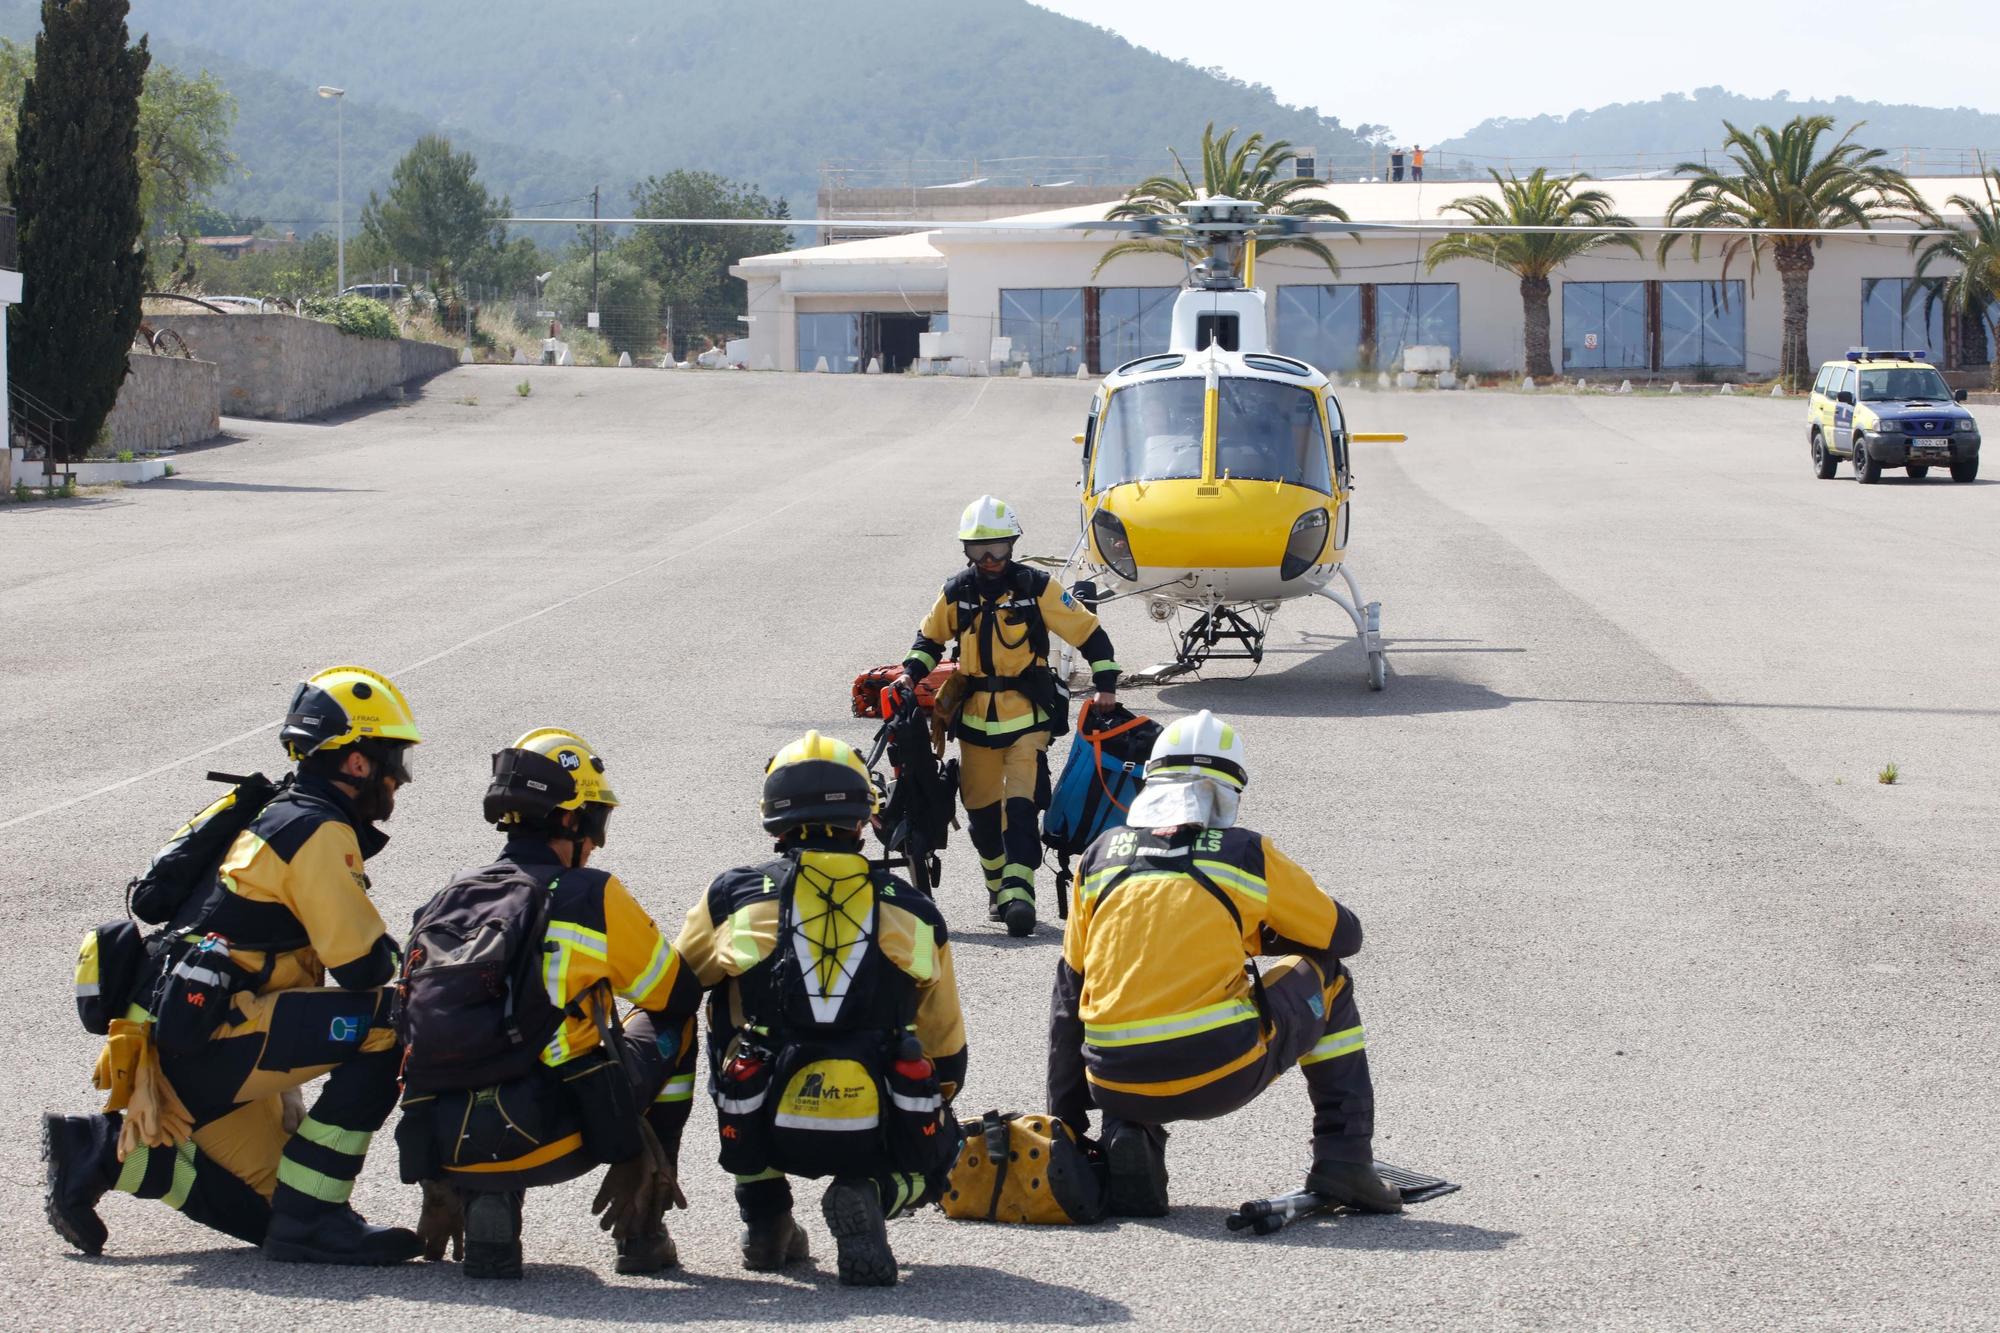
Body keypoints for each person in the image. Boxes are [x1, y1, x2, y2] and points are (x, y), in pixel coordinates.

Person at [45, 666, 425, 1264]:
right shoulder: (316, 830)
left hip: (179, 1041)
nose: (398, 778)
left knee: (274, 1217)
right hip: (212, 1043)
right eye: (393, 759)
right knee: (398, 1018)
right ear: (356, 763)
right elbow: (361, 968)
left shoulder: (271, 809)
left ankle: (100, 1152)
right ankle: (320, 1217)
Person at [1047, 710, 1403, 1218]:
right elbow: (1343, 935)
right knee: (1329, 978)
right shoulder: (1243, 853)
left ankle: (1127, 1132)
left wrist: (1065, 1125)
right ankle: (1344, 1156)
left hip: (1116, 1083)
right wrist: (1262, 934)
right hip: (1219, 1070)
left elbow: (1068, 996)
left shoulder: (1099, 857)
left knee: (1128, 997)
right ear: (1229, 790)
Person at [653, 732, 968, 1286]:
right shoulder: (915, 909)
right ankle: (873, 1191)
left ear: (774, 820)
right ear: (864, 818)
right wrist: (930, 1113)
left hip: (761, 1117)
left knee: (723, 1018)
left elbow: (674, 984)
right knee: (948, 1139)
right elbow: (946, 1045)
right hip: (874, 1119)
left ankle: (766, 1219)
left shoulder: (734, 895)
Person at [396, 728, 694, 1280]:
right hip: (556, 1131)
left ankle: (490, 1202)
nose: (599, 842)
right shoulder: (591, 894)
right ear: (569, 820)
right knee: (672, 1022)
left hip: (446, 1139)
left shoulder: (451, 895)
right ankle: (644, 1226)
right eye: (596, 821)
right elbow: (674, 992)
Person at [903, 496, 1121, 936]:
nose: (989, 560)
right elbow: (927, 642)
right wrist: (909, 678)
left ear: (1013, 545)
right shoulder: (957, 592)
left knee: (1021, 806)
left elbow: (1089, 634)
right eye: (979, 550)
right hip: (974, 723)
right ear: (965, 551)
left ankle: (1021, 895)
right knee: (981, 811)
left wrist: (1106, 687)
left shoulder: (1037, 588)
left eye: (998, 549)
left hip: (1027, 719)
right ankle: (998, 886)